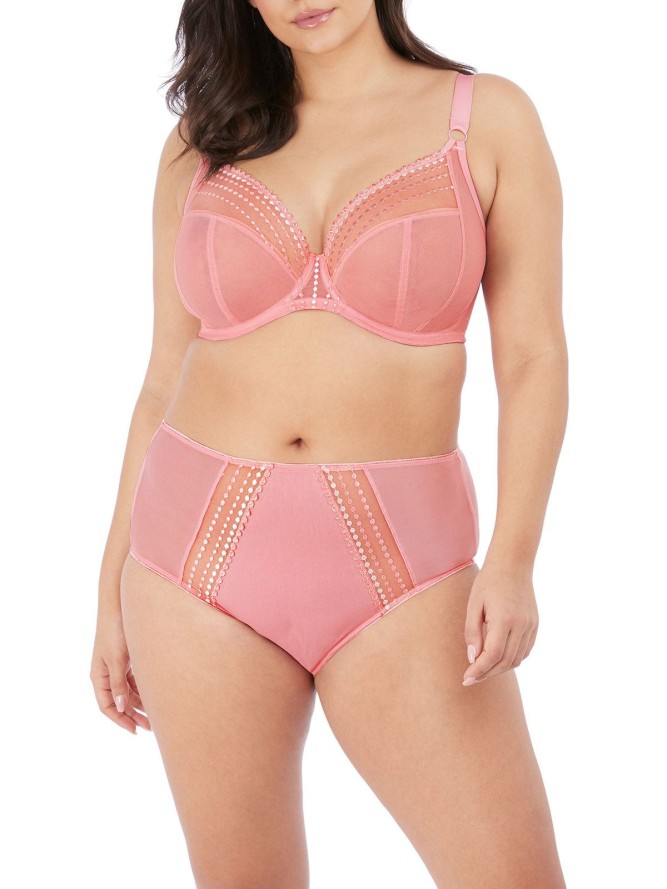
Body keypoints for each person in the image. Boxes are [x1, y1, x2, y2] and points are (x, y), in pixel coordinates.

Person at [90, 2, 568, 887]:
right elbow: (162, 375)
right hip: (193, 563)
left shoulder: (485, 117)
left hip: (406, 568)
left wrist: (513, 558)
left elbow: (533, 356)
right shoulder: (203, 141)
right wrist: (109, 587)